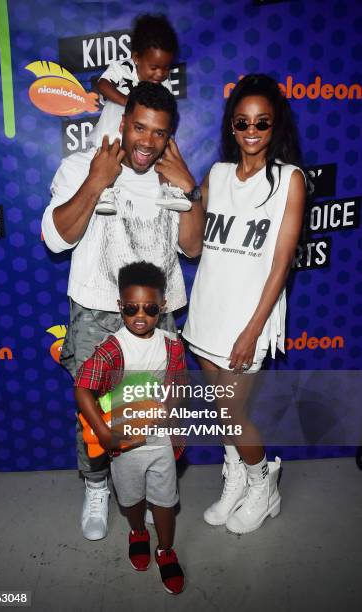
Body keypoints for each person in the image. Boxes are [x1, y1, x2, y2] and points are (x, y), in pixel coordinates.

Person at [41, 82, 204, 541]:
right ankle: (96, 487)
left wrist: (188, 188)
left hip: (157, 314)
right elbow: (56, 238)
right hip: (97, 313)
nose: (146, 142)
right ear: (123, 120)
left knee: (155, 412)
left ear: (169, 135)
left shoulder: (175, 177)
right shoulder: (81, 166)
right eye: (139, 127)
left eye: (158, 133)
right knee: (94, 412)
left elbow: (191, 248)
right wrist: (97, 181)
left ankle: (155, 487)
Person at [183, 74, 306, 533]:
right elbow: (194, 246)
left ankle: (263, 482)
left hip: (246, 320)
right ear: (231, 126)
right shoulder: (215, 175)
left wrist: (254, 329)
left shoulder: (290, 180)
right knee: (222, 411)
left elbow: (281, 264)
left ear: (275, 126)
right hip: (207, 311)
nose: (251, 131)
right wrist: (187, 194)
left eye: (262, 122)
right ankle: (235, 475)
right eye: (242, 121)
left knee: (233, 414)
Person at [74, 261, 185, 595]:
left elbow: (178, 385)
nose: (141, 315)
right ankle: (137, 532)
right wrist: (106, 435)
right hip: (123, 444)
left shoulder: (172, 345)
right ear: (120, 306)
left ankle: (166, 550)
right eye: (132, 308)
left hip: (160, 440)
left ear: (162, 306)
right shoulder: (112, 349)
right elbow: (83, 388)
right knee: (131, 499)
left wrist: (172, 412)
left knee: (165, 501)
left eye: (150, 308)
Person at [92, 13, 190, 213]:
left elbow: (167, 110)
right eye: (154, 67)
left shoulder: (164, 83)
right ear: (136, 58)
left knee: (165, 152)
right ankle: (105, 194)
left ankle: (167, 190)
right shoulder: (123, 68)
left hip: (146, 133)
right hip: (113, 130)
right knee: (108, 157)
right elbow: (102, 84)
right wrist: (128, 102)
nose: (160, 74)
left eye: (166, 68)